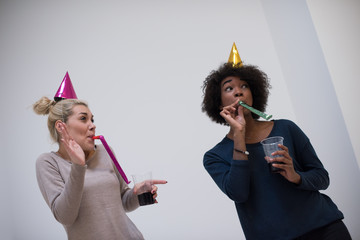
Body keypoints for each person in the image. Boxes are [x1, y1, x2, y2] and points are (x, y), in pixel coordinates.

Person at [201, 44, 351, 240]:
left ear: (253, 94)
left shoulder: (286, 128)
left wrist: (295, 176)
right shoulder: (214, 156)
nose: (239, 92)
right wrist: (239, 135)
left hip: (325, 229)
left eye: (244, 86)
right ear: (220, 104)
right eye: (229, 88)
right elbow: (238, 194)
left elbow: (322, 178)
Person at [33, 73, 167, 240]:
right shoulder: (48, 163)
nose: (93, 125)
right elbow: (65, 217)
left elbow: (123, 202)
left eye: (92, 119)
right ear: (61, 127)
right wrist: (78, 166)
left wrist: (135, 193)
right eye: (83, 119)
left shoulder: (105, 151)